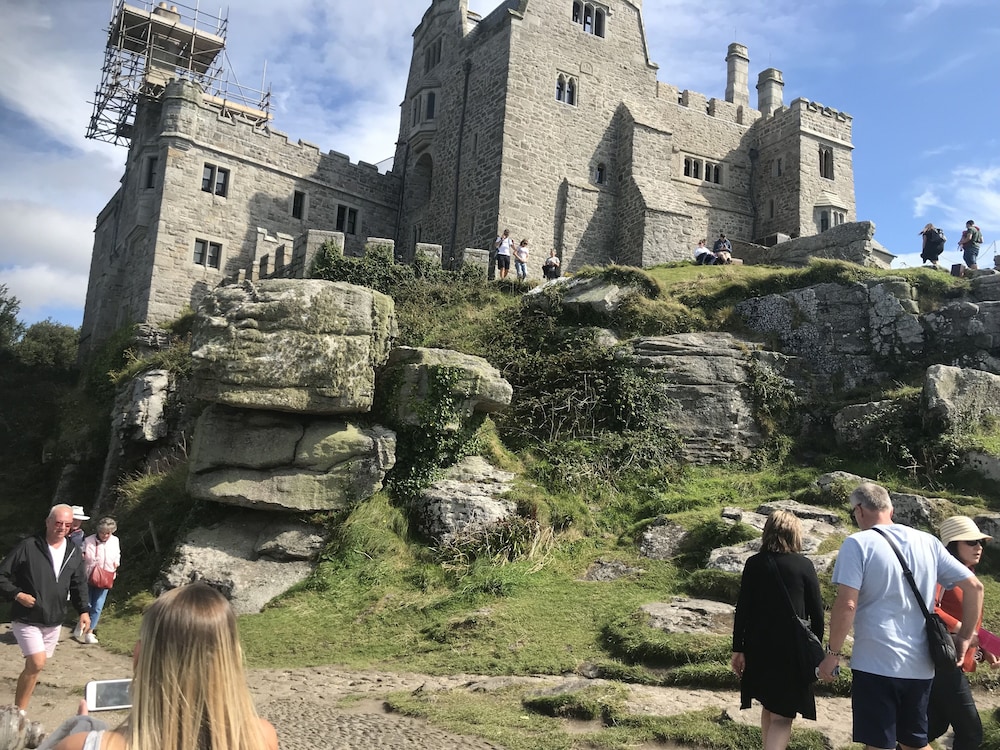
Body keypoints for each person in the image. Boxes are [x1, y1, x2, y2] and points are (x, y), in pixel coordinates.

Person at [818, 483, 983, 750]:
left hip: (875, 662)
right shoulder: (927, 541)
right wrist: (965, 637)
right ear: (890, 508)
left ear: (859, 510)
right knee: (914, 743)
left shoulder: (857, 543)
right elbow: (975, 587)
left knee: (879, 744)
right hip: (920, 665)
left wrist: (832, 653)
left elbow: (848, 604)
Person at [53, 583, 279, 750]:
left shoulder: (79, 745)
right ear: (231, 660)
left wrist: (82, 730)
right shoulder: (262, 737)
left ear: (138, 657)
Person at [731, 510, 824, 750]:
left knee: (768, 705)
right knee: (782, 716)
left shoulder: (754, 563)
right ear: (795, 534)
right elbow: (817, 613)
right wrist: (814, 652)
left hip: (758, 647)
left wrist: (738, 649)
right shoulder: (804, 565)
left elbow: (743, 608)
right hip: (791, 650)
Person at [0, 505, 90, 710]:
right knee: (37, 662)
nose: (62, 528)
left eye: (67, 525)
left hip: (54, 618)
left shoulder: (73, 551)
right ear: (48, 522)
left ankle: (18, 709)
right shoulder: (28, 546)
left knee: (35, 668)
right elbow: (2, 575)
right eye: (58, 523)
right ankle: (19, 713)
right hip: (26, 617)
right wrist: (18, 594)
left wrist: (83, 610)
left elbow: (79, 584)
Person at [927, 516, 997, 750]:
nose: (978, 547)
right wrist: (965, 633)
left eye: (981, 542)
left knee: (933, 726)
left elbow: (969, 623)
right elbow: (931, 609)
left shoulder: (966, 575)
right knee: (971, 732)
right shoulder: (941, 574)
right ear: (952, 545)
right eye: (970, 542)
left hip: (949, 662)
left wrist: (984, 645)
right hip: (943, 663)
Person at [77, 518, 121, 646]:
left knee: (97, 606)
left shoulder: (115, 541)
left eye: (108, 533)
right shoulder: (88, 540)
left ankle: (89, 632)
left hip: (106, 577)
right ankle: (82, 623)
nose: (105, 535)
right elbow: (81, 554)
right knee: (87, 604)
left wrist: (116, 564)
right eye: (103, 532)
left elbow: (117, 554)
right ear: (98, 530)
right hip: (88, 577)